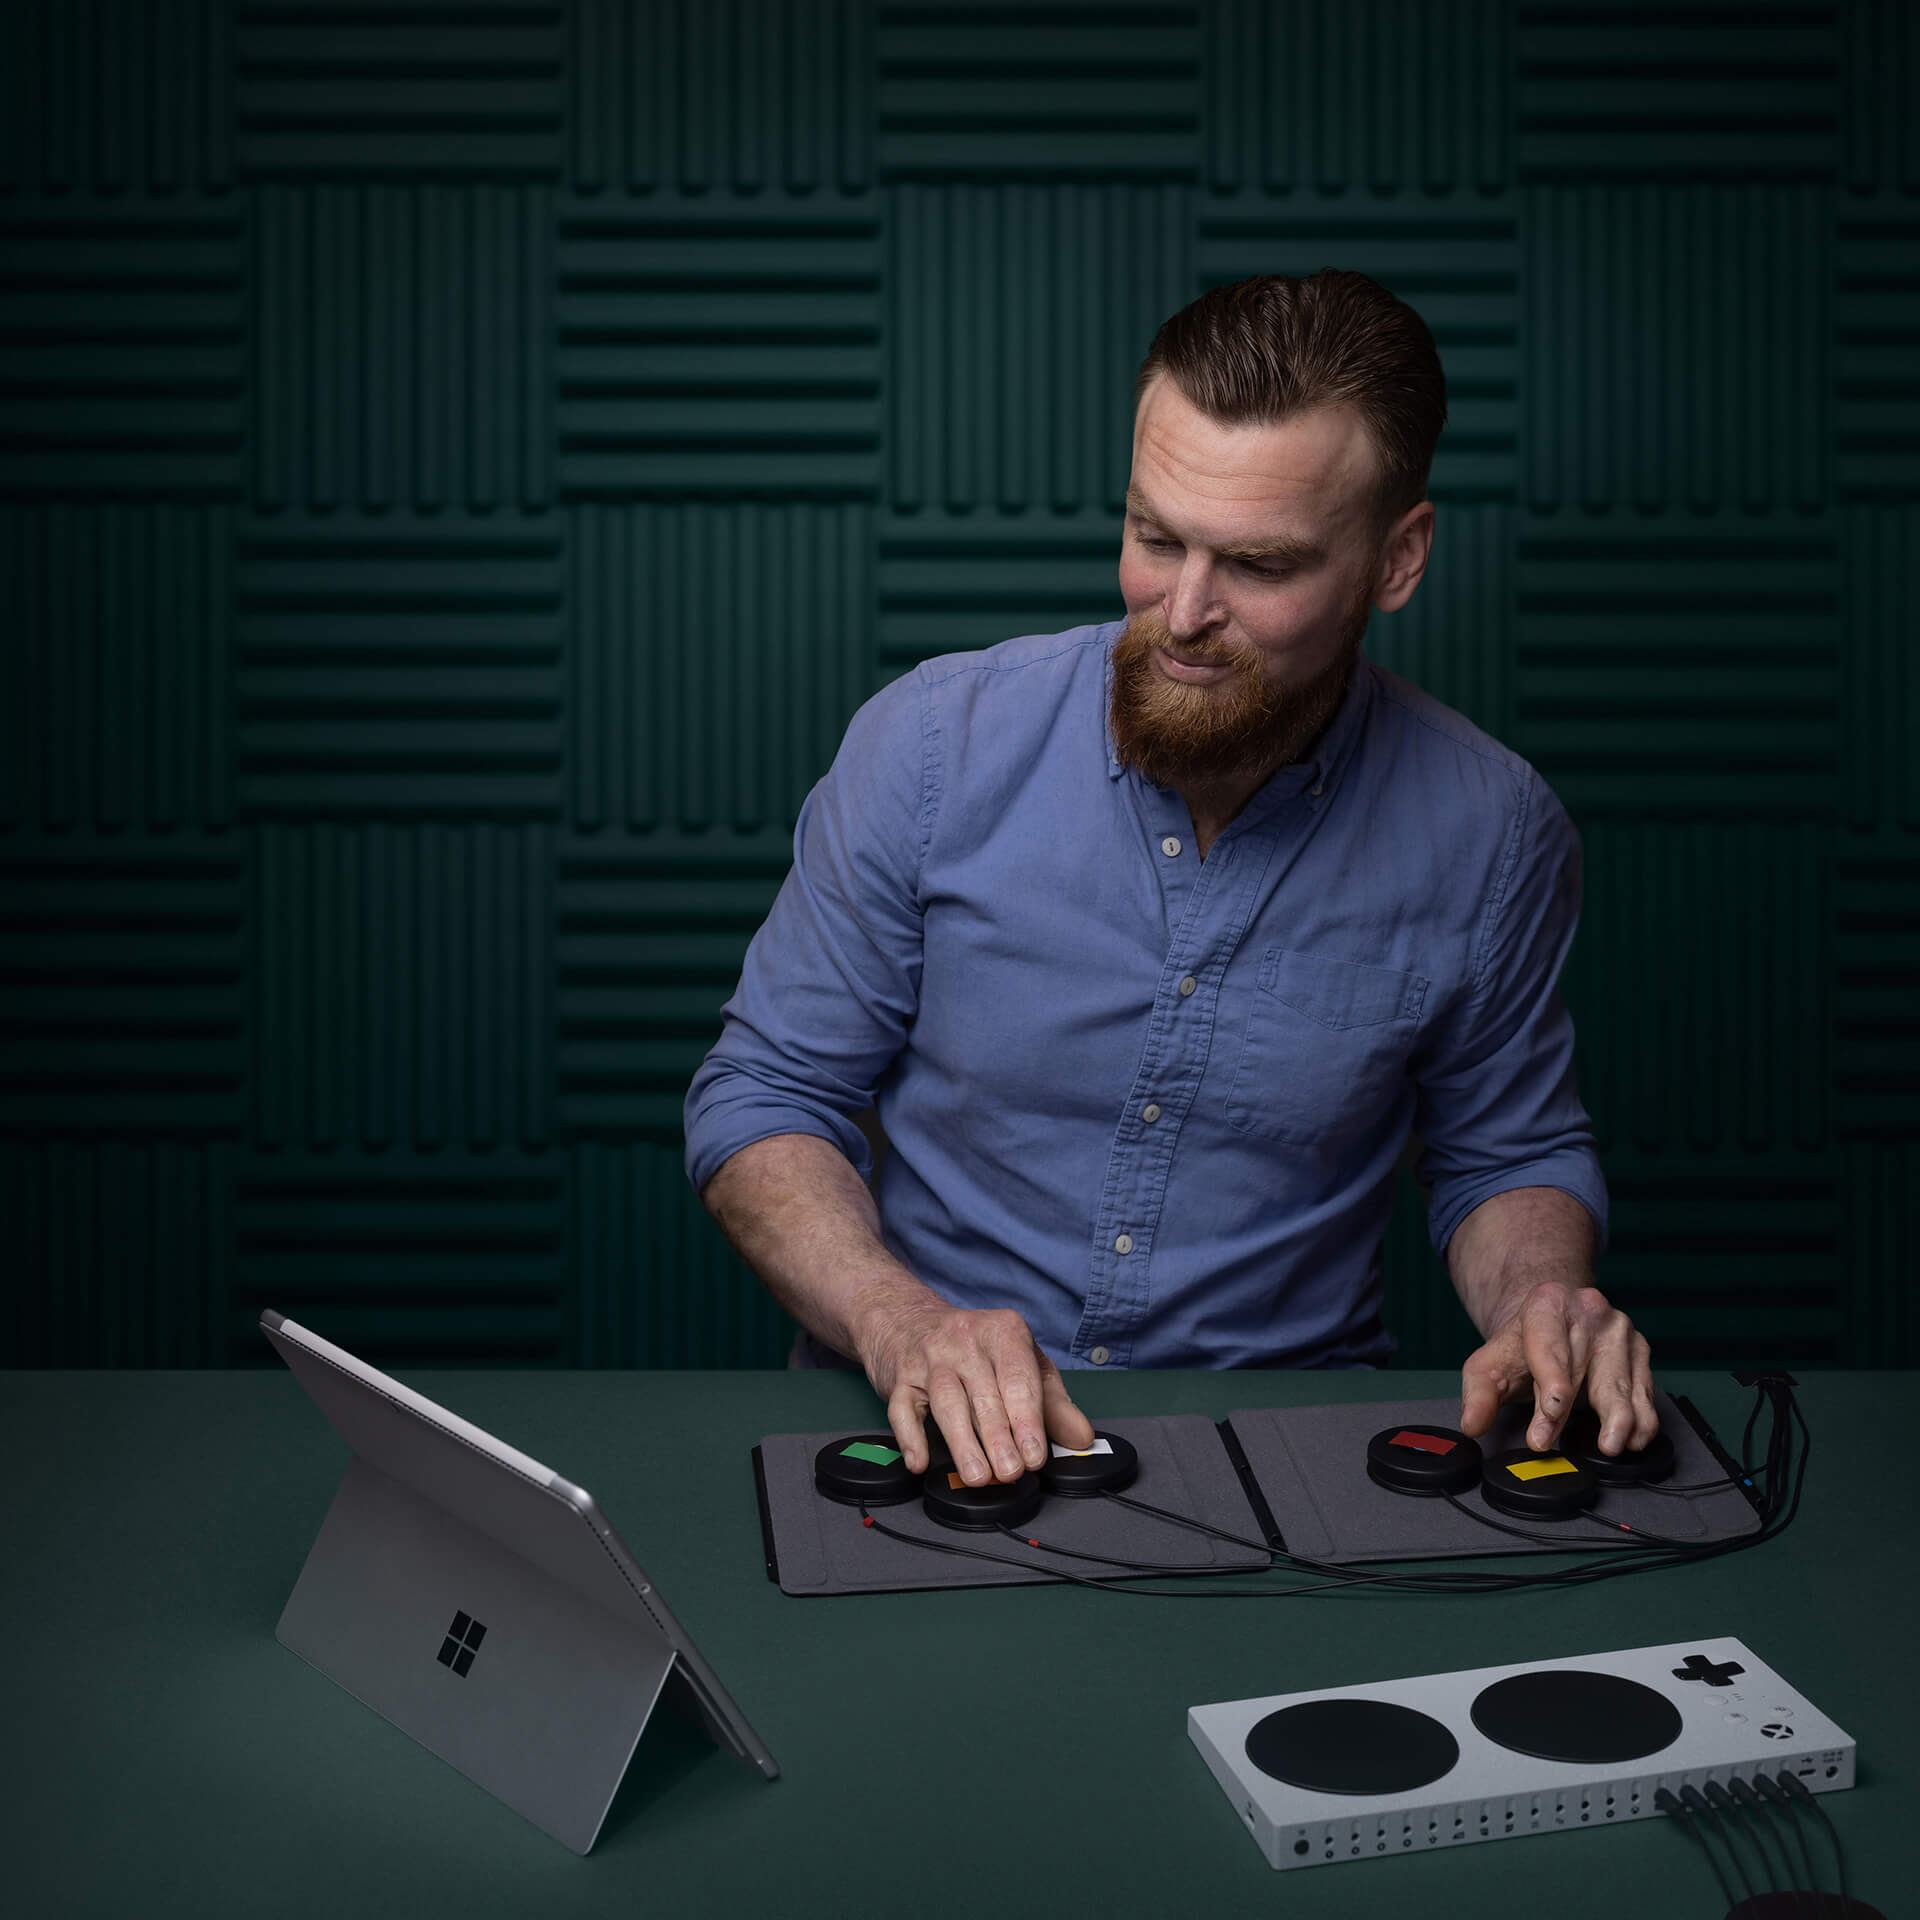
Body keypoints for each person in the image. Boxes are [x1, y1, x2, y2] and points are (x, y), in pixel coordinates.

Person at [685, 270, 1656, 1492]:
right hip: (910, 1430)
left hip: (1285, 1457)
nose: (1183, 611)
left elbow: (1503, 1151)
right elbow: (764, 1094)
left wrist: (1540, 1303)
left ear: (1397, 559)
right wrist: (898, 1319)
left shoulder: (1495, 830)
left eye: (1257, 564)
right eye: (1154, 537)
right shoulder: (929, 746)